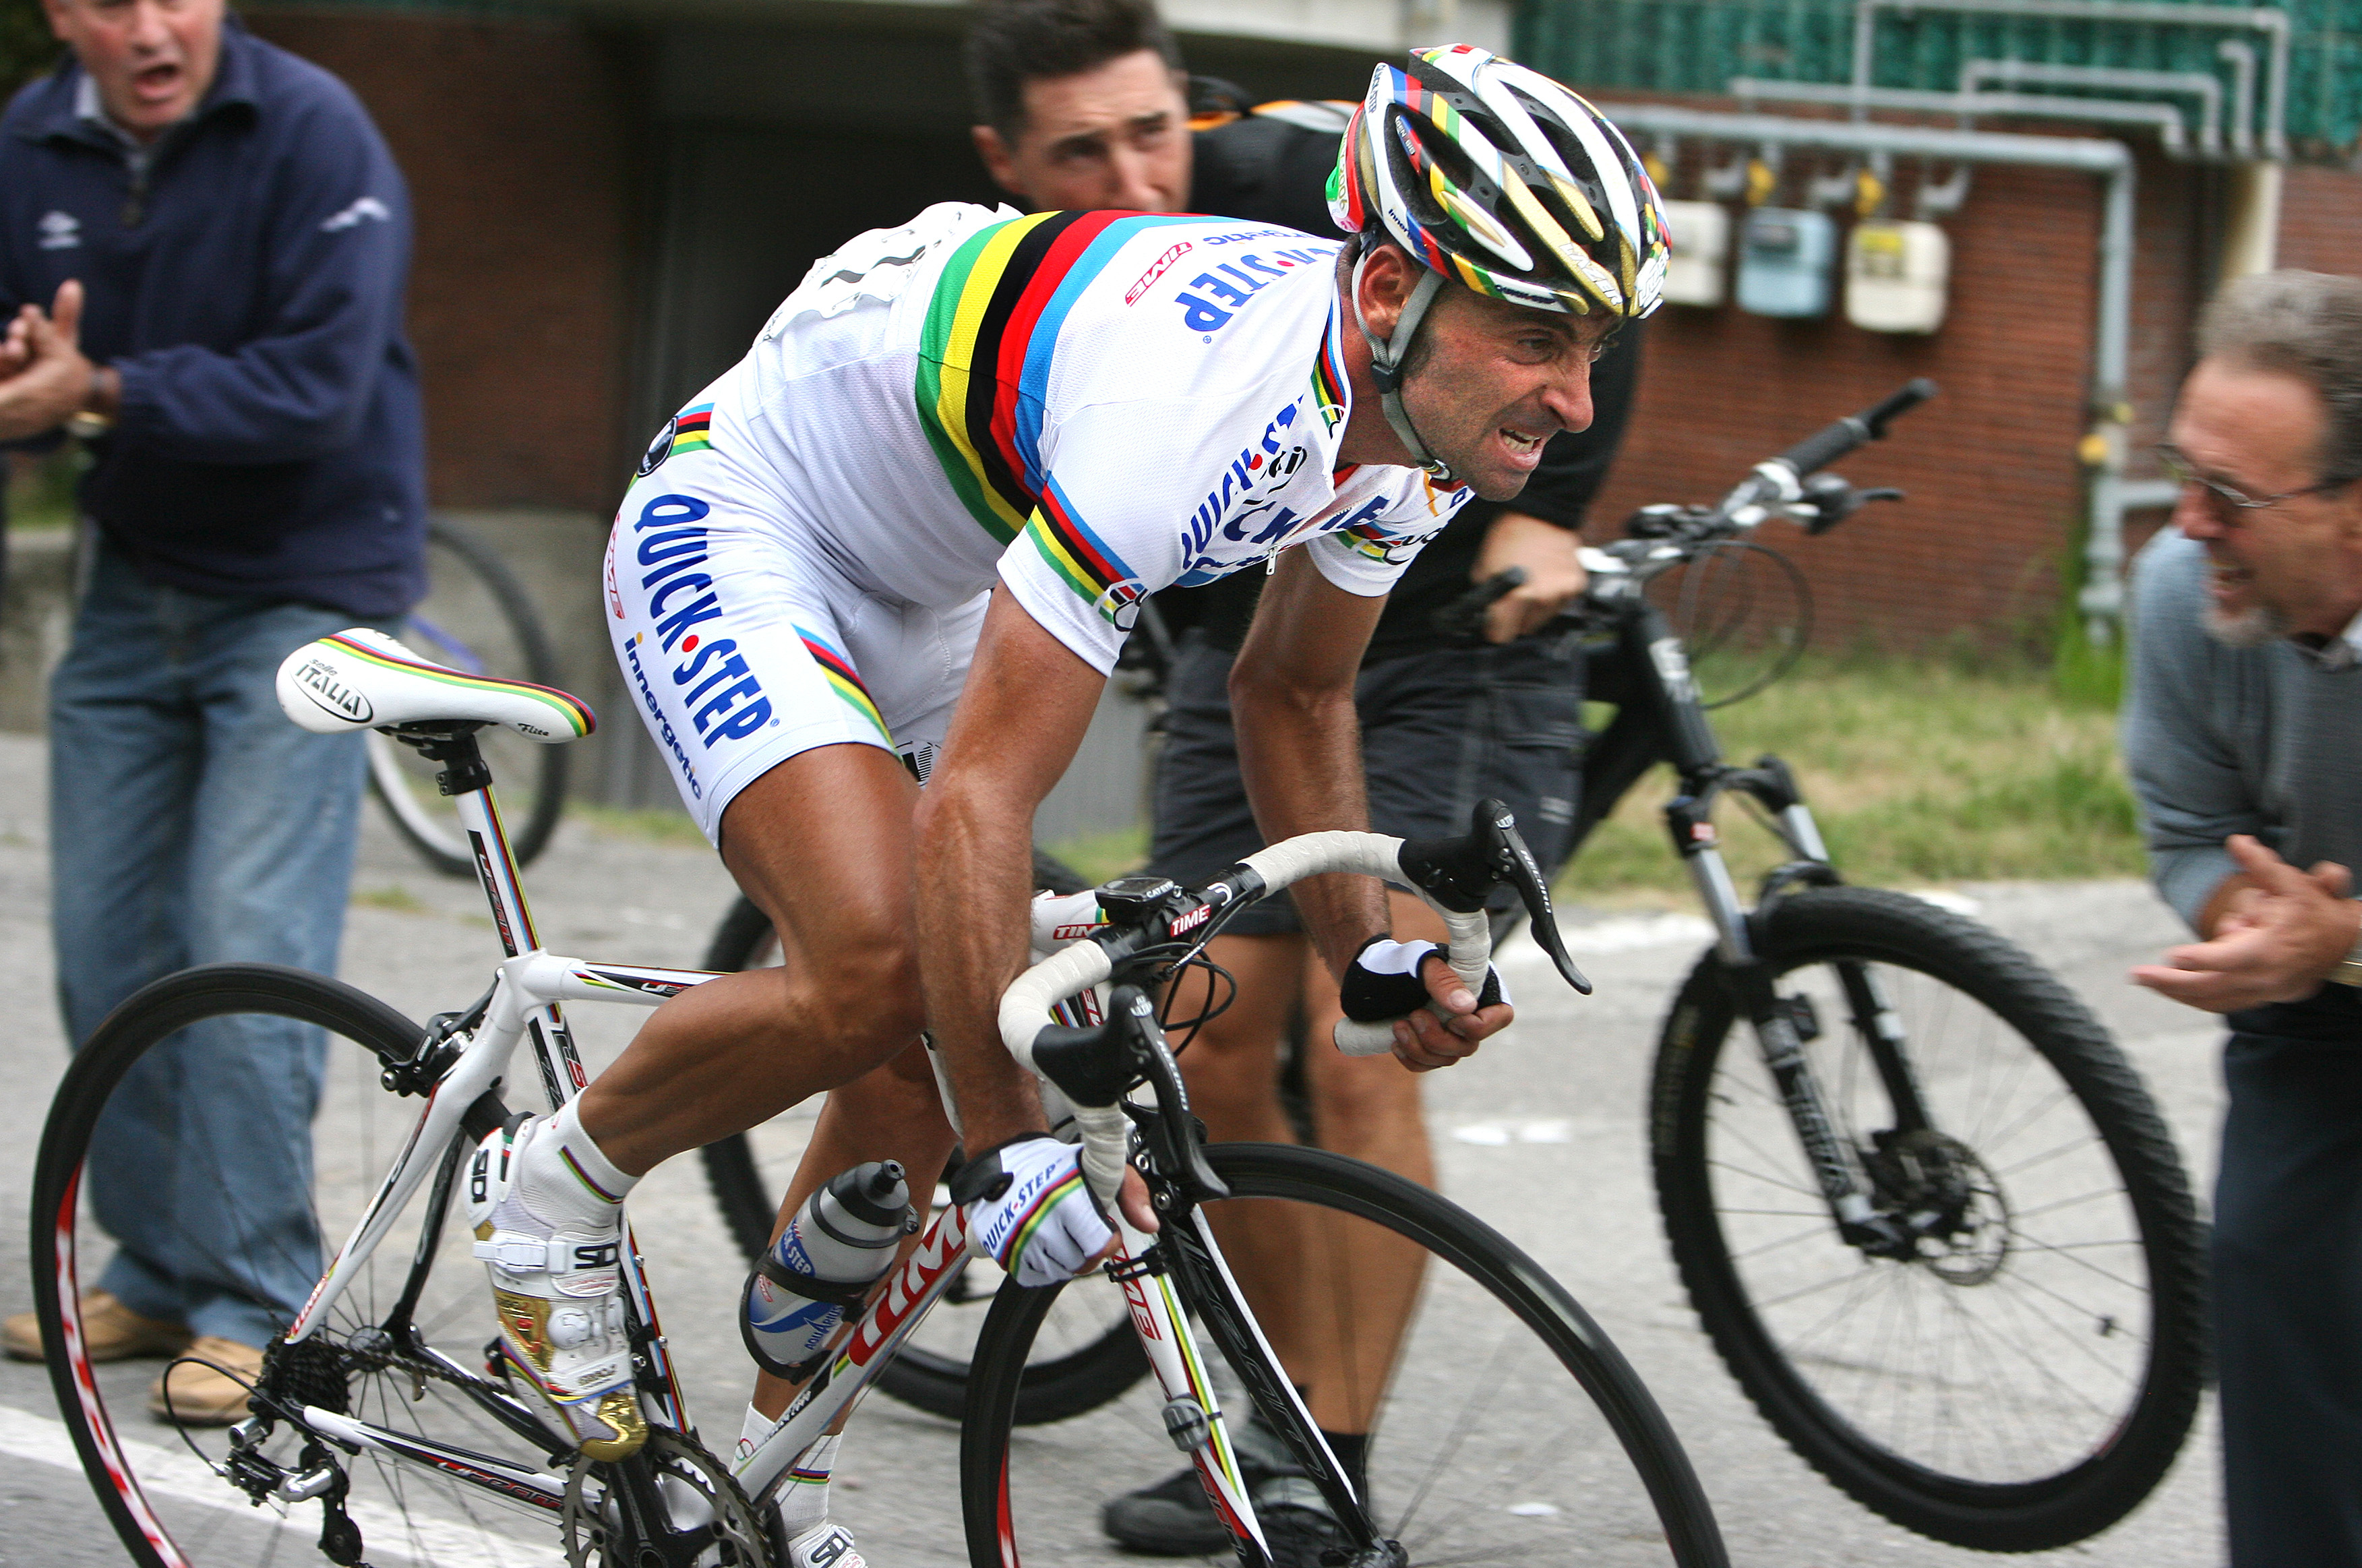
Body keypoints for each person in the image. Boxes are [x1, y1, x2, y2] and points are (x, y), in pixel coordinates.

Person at [458, 42, 1661, 1568]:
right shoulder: (1202, 411)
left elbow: (1290, 694)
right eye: (1543, 333)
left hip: (940, 569)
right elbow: (980, 794)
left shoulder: (1419, 429)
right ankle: (553, 1188)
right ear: (1389, 296)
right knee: (894, 968)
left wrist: (1362, 951)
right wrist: (1010, 1143)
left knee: (925, 1053)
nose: (1576, 394)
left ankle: (772, 1488)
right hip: (753, 516)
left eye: (1600, 340)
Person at [961, 1, 1643, 1548]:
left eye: (1153, 133)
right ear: (1009, 169)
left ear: (1186, 108)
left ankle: (1329, 1460)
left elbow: (1578, 261)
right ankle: (1273, 1411)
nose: (1134, 177)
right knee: (1209, 1033)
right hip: (1244, 642)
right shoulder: (1077, 287)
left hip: (1445, 634)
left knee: (1360, 1036)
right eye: (1082, 157)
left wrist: (1563, 505)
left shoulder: (1290, 169)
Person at [0, 0, 425, 1427]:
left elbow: (316, 386)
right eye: (110, 1)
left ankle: (259, 1297)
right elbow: (29, 382)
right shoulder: (32, 142)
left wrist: (102, 390)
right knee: (104, 944)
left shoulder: (312, 131)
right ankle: (162, 1261)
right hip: (135, 585)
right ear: (65, 15)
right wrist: (27, 405)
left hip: (304, 588)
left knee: (243, 937)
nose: (149, 25)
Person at [2123, 269, 2362, 1566]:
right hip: (2318, 999)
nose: (2188, 519)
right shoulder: (2183, 593)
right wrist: (2256, 931)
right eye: (2182, 469)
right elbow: (2184, 831)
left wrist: (2349, 938)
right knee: (2270, 1267)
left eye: (2235, 494)